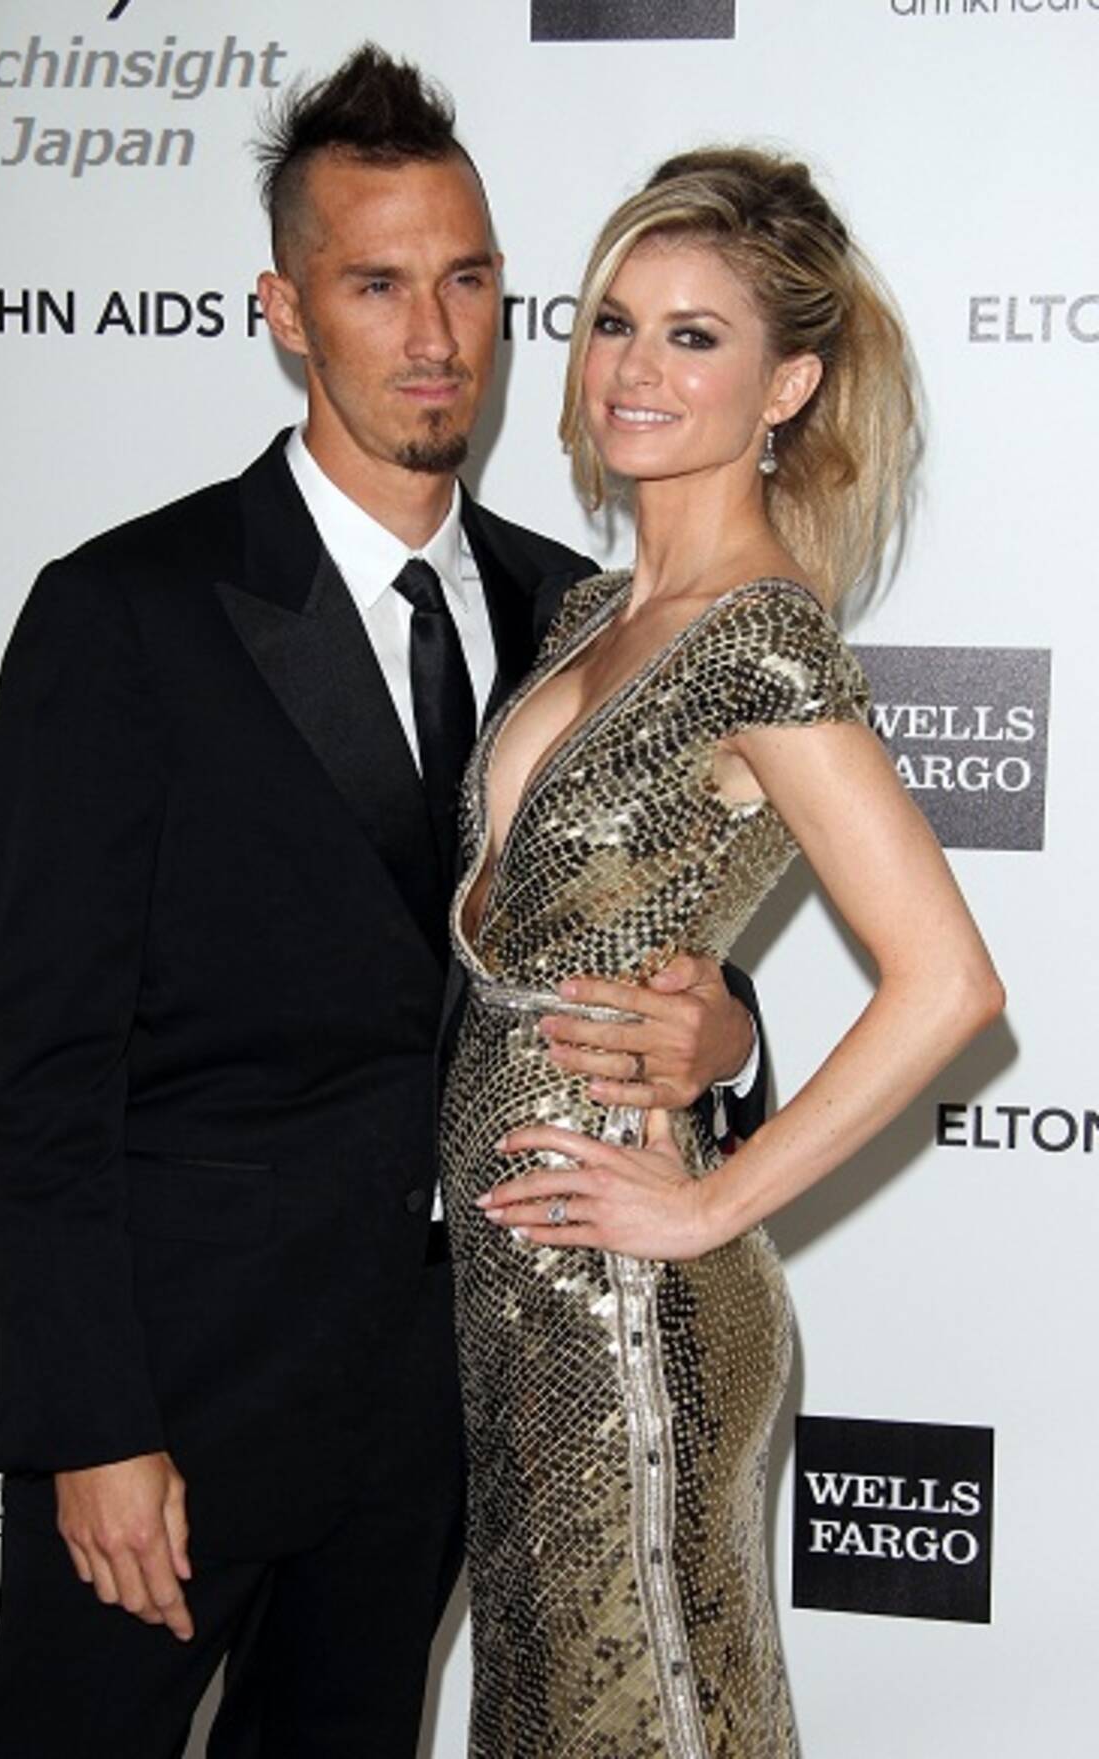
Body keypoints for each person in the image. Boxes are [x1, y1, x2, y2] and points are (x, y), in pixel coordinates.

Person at [0, 51, 767, 1759]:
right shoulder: (131, 610)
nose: (434, 335)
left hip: (442, 1400)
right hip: (176, 1407)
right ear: (285, 309)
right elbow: (40, 1076)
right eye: (376, 284)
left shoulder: (578, 614)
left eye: (466, 280)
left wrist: (728, 1039)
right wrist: (89, 1425)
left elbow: (625, 957)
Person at [440, 147, 1004, 1757]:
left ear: (788, 386)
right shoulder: (589, 617)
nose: (634, 368)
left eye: (696, 336)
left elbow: (950, 983)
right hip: (521, 1283)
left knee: (650, 1718)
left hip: (626, 1299)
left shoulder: (762, 641)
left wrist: (707, 1204)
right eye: (618, 322)